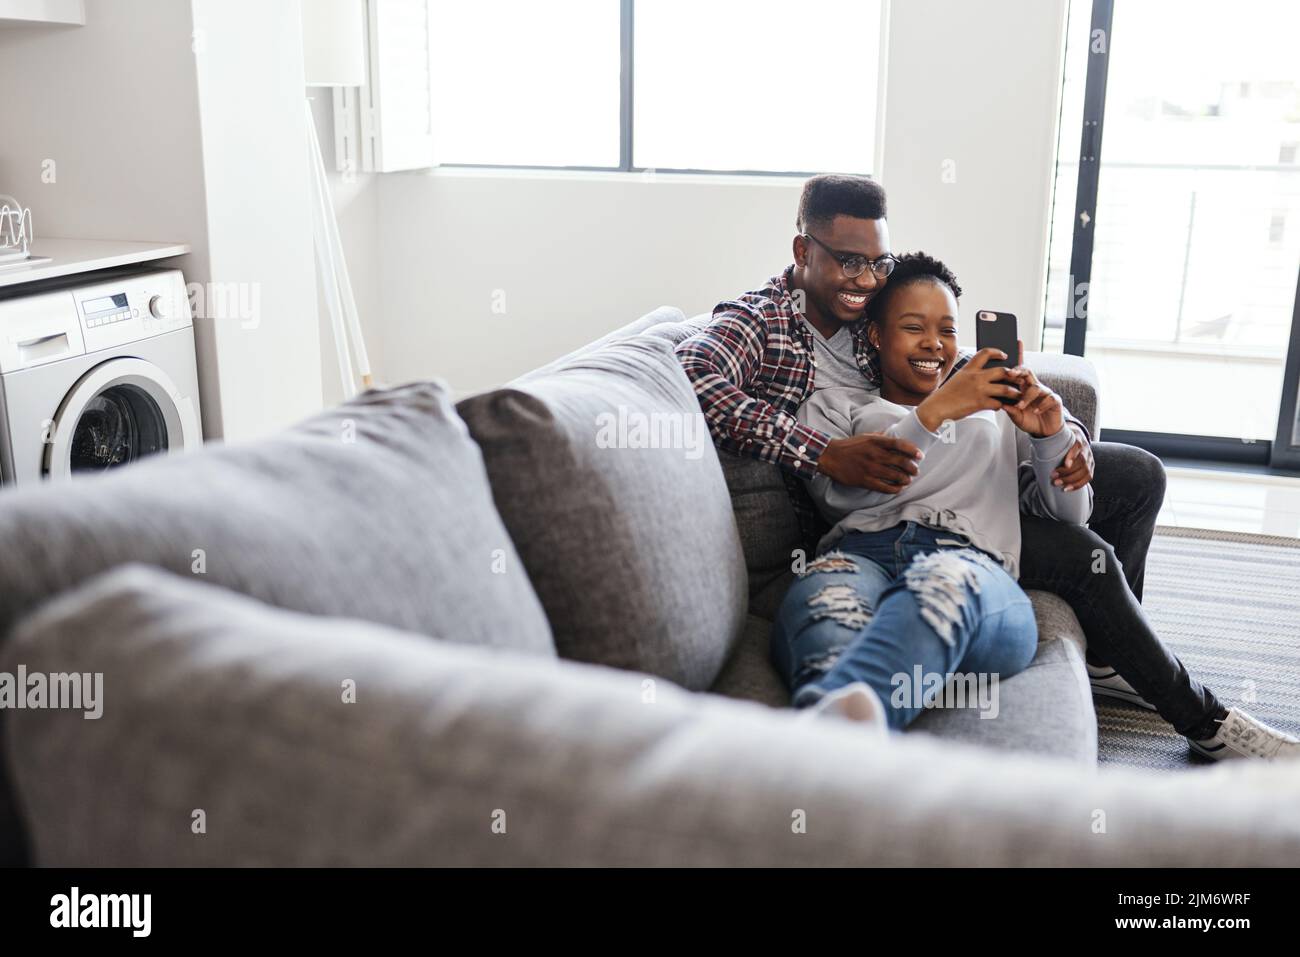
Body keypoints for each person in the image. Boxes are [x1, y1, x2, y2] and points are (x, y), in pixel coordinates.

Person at [768, 252, 1298, 761]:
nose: (934, 343)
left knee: (942, 590)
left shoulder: (994, 413)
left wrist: (1052, 439)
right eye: (913, 327)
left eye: (948, 330)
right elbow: (840, 498)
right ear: (878, 335)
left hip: (967, 561)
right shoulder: (835, 404)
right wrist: (932, 414)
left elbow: (1072, 520)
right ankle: (830, 743)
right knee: (828, 610)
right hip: (859, 553)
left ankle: (821, 754)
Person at [675, 173, 1167, 720]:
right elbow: (694, 375)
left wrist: (1060, 430)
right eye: (848, 262)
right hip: (856, 531)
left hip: (962, 531)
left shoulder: (869, 309)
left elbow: (943, 363)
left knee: (1134, 478)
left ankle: (1125, 666)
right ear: (802, 250)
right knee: (836, 606)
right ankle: (834, 730)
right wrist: (822, 452)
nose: (865, 280)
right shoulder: (764, 323)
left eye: (879, 264)